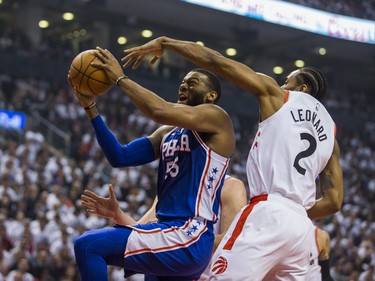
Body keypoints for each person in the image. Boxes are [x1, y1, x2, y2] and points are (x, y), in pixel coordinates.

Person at [121, 36, 344, 280]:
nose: (281, 85)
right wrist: (292, 212)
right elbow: (334, 202)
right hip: (301, 227)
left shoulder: (280, 97)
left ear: (302, 89)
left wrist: (167, 43)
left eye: (286, 81)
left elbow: (218, 63)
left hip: (269, 211)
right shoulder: (331, 136)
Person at [68, 46, 236, 281]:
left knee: (89, 246)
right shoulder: (168, 132)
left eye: (193, 82)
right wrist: (90, 108)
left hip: (189, 234)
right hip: (169, 232)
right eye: (183, 82)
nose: (184, 85)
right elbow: (120, 156)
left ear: (211, 96)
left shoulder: (217, 118)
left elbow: (159, 109)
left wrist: (120, 78)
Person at [80, 175, 248, 281]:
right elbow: (142, 231)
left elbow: (230, 241)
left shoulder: (230, 186)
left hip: (199, 273)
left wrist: (182, 240)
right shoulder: (170, 187)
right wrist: (118, 215)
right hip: (164, 268)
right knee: (90, 245)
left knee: (89, 244)